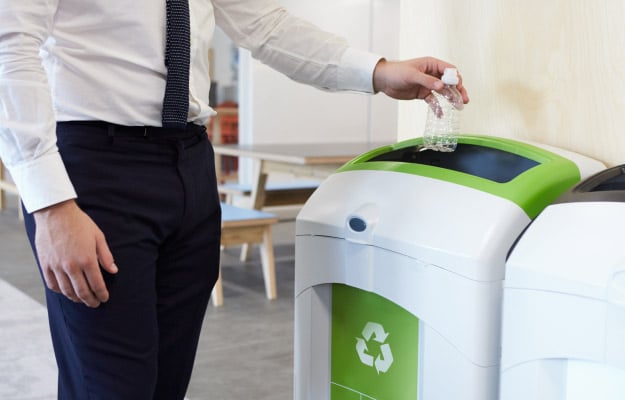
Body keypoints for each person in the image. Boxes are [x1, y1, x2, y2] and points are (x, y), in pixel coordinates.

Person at [0, 0, 469, 399]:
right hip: (96, 170)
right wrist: (51, 206)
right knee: (112, 386)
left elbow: (264, 25)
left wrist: (377, 72)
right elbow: (11, 45)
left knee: (165, 383)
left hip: (190, 162)